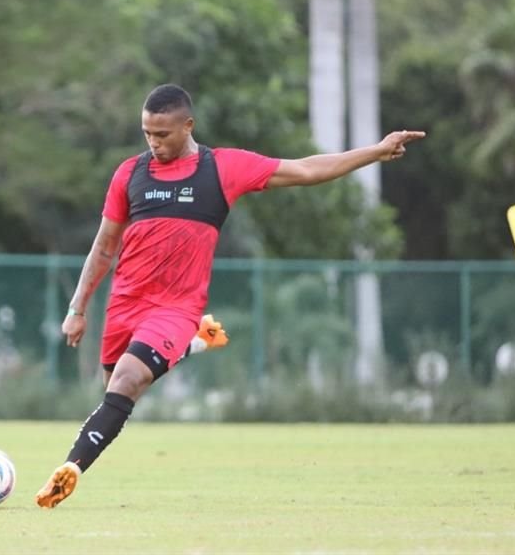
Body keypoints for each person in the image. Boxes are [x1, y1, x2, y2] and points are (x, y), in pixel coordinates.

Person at [35, 84, 425, 508]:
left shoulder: (222, 168)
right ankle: (195, 341)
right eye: (147, 132)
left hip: (175, 307)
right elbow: (104, 246)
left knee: (129, 380)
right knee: (115, 390)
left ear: (188, 126)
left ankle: (69, 471)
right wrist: (78, 307)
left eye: (162, 134)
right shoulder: (129, 174)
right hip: (126, 305)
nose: (154, 142)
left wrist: (376, 151)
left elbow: (307, 169)